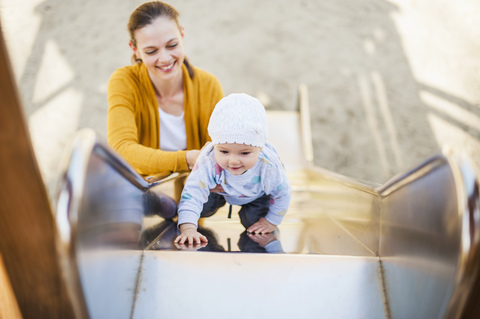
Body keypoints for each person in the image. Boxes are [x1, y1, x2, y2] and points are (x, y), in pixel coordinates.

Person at [107, 1, 223, 178]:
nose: (164, 58)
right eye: (151, 51)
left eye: (172, 45)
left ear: (182, 35)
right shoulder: (124, 81)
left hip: (199, 196)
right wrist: (186, 159)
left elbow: (220, 150)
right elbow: (122, 149)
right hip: (145, 197)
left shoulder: (208, 85)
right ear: (135, 50)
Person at [174, 93, 292, 245]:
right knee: (199, 209)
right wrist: (188, 228)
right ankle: (174, 210)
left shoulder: (268, 167)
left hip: (256, 195)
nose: (233, 161)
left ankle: (261, 237)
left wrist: (271, 222)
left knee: (254, 224)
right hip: (219, 190)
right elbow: (193, 192)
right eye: (224, 151)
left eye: (244, 153)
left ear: (259, 147)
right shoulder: (209, 160)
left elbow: (283, 194)